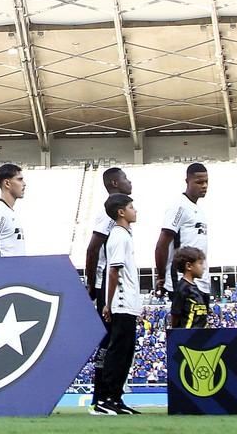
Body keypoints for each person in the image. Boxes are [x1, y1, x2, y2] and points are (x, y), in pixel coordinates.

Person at [84, 167, 132, 410]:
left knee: (111, 343)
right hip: (106, 286)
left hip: (107, 286)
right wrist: (92, 285)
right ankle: (104, 396)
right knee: (111, 343)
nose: (129, 181)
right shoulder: (108, 216)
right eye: (125, 178)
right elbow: (92, 249)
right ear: (114, 182)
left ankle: (107, 396)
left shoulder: (118, 216)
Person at [98, 193, 141, 416]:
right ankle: (106, 399)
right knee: (118, 352)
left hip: (128, 304)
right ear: (121, 212)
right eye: (132, 207)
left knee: (126, 353)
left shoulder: (125, 235)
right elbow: (113, 271)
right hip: (121, 304)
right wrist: (108, 303)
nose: (136, 210)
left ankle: (116, 398)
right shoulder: (118, 236)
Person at [154, 163, 209, 302]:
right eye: (199, 182)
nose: (204, 186)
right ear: (187, 181)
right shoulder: (179, 206)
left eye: (206, 182)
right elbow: (162, 244)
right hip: (183, 281)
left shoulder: (198, 209)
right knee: (186, 323)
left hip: (201, 282)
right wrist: (161, 277)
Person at [169, 247, 210, 329]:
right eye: (200, 263)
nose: (204, 267)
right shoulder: (182, 288)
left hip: (201, 335)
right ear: (189, 266)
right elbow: (175, 314)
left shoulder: (197, 288)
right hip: (186, 336)